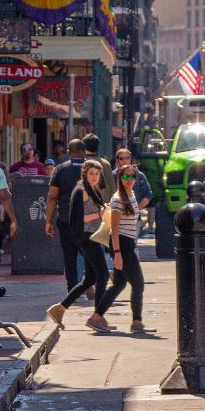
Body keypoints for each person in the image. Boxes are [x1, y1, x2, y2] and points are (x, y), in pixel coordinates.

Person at [94, 151, 155, 333]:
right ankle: (137, 323)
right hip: (123, 245)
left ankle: (96, 317)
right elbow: (114, 229)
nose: (129, 179)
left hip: (128, 243)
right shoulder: (119, 199)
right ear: (119, 178)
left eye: (132, 176)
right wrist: (118, 254)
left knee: (119, 284)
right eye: (125, 176)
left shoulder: (131, 195)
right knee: (138, 284)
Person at [46, 161, 112, 328]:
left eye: (97, 174)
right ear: (84, 173)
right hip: (87, 237)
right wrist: (100, 213)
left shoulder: (91, 189)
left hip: (92, 236)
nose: (95, 177)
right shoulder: (81, 191)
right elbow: (79, 219)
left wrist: (105, 209)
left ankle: (59, 309)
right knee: (103, 274)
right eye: (91, 174)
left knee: (89, 278)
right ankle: (97, 317)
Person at [44, 139, 90, 295]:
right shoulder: (93, 169)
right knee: (89, 253)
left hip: (66, 218)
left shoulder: (60, 170)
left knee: (69, 255)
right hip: (89, 220)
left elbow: (52, 197)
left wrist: (48, 221)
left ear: (69, 152)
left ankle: (72, 289)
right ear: (85, 152)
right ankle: (88, 281)